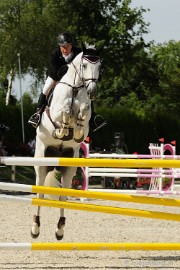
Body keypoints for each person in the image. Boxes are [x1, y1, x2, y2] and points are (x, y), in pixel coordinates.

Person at [28, 32, 106, 132]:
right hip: (56, 76)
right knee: (46, 89)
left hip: (74, 79)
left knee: (87, 92)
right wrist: (70, 67)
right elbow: (57, 72)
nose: (65, 49)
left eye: (67, 46)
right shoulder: (54, 54)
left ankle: (93, 117)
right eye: (62, 47)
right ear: (59, 46)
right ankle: (38, 114)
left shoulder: (78, 52)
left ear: (71, 45)